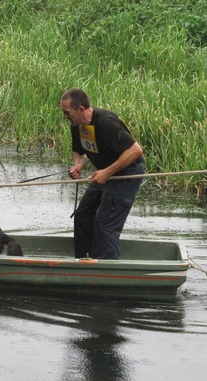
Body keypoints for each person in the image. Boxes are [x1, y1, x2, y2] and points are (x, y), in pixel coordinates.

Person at [60, 88, 144, 259]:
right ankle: (84, 262)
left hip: (126, 173)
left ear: (80, 109)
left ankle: (107, 271)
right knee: (83, 216)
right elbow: (79, 151)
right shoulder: (77, 124)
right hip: (105, 172)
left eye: (67, 112)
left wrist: (106, 172)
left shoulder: (106, 122)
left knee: (104, 224)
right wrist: (78, 165)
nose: (65, 116)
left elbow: (135, 150)